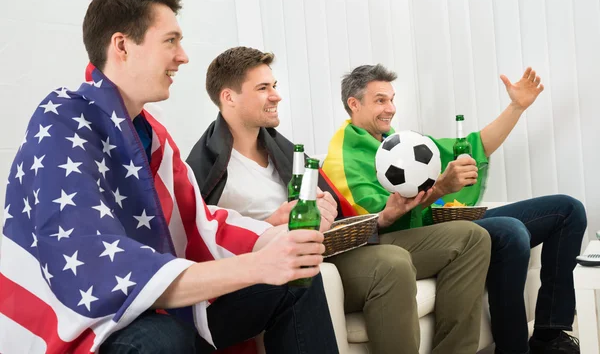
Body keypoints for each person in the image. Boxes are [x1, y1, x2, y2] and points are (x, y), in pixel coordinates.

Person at [0, 0, 339, 354]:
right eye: (171, 41)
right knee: (161, 337)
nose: (184, 56)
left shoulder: (152, 135)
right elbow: (94, 265)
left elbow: (199, 221)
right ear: (123, 46)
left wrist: (273, 238)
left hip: (154, 302)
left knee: (297, 279)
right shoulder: (63, 120)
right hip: (86, 322)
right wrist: (259, 266)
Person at [187, 46, 492, 354]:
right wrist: (271, 224)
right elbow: (204, 244)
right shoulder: (205, 170)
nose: (276, 95)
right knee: (392, 264)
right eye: (263, 88)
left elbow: (338, 214)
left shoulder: (283, 151)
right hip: (290, 265)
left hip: (330, 247)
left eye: (274, 86)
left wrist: (372, 215)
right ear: (229, 97)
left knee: (472, 237)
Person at [323, 64, 587, 354]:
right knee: (510, 231)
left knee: (567, 210)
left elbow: (473, 147)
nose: (391, 108)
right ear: (354, 103)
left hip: (439, 220)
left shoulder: (397, 143)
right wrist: (439, 188)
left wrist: (516, 107)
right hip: (412, 236)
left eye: (392, 98)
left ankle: (549, 336)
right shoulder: (343, 156)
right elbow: (383, 222)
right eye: (380, 100)